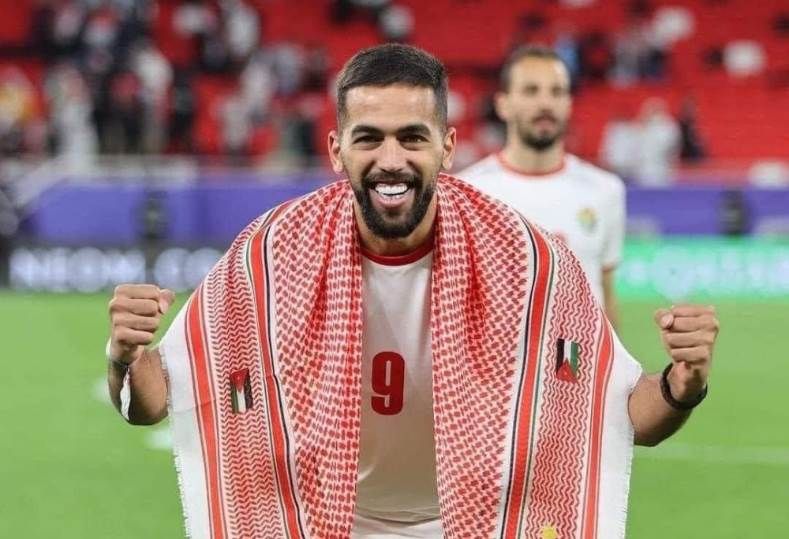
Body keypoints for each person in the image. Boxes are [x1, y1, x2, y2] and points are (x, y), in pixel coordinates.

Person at [106, 44, 718, 539]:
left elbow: (630, 417)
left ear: (447, 146)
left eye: (413, 137)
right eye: (369, 137)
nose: (391, 158)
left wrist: (682, 383)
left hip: (480, 525)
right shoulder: (272, 252)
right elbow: (150, 403)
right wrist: (124, 357)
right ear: (336, 149)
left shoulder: (526, 258)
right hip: (317, 523)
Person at [460, 45, 625, 328]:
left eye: (556, 92)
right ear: (502, 104)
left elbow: (606, 296)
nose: (545, 103)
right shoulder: (467, 192)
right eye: (531, 91)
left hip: (580, 355)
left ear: (569, 104)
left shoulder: (605, 190)